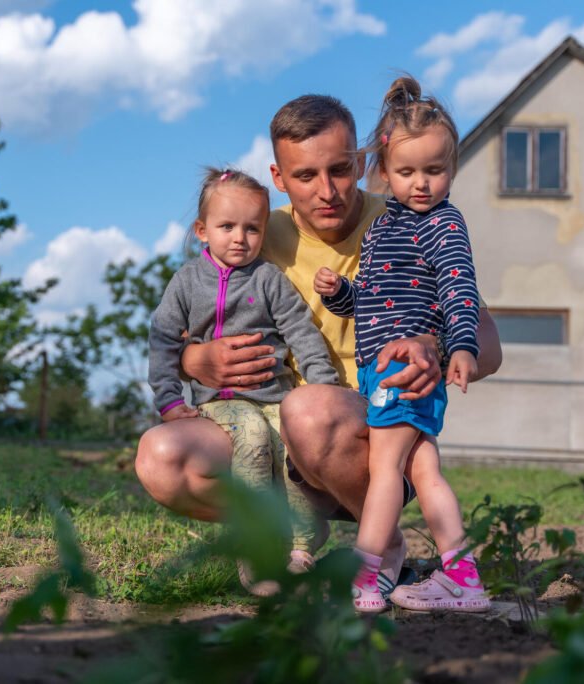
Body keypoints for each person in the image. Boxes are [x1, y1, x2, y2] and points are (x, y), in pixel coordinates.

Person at [134, 94, 502, 600]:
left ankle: (383, 548)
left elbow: (489, 344)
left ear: (362, 161)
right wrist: (195, 361)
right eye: (305, 175)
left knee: (306, 409)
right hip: (274, 437)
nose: (326, 190)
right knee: (161, 457)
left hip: (369, 435)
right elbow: (183, 321)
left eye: (340, 169)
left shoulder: (406, 222)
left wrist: (432, 346)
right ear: (279, 177)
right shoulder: (257, 230)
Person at [314, 76, 490, 613]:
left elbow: (460, 287)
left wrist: (462, 346)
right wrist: (344, 293)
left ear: (452, 170)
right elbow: (376, 301)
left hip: (405, 371)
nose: (421, 184)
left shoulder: (442, 224)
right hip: (381, 365)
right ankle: (461, 575)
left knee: (384, 468)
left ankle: (367, 575)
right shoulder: (386, 225)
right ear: (383, 173)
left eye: (434, 171)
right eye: (407, 172)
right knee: (423, 470)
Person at [148, 167, 340, 595]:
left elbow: (301, 331)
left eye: (252, 228)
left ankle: (303, 545)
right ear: (202, 231)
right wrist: (168, 399)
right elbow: (162, 339)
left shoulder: (269, 279)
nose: (240, 238)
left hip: (276, 397)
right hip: (221, 404)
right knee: (252, 438)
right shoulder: (185, 283)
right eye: (227, 226)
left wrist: (323, 386)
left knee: (290, 454)